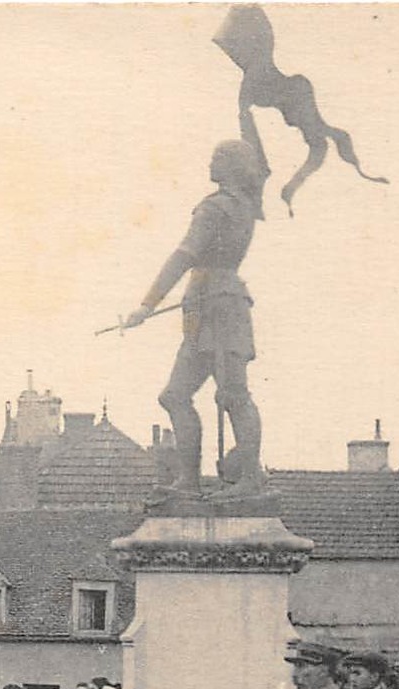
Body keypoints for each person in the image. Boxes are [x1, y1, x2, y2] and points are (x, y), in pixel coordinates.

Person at [122, 108, 271, 500]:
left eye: (217, 157)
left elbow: (184, 255)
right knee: (178, 394)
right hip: (213, 306)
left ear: (231, 166)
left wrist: (147, 304)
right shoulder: (245, 208)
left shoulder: (215, 208)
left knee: (233, 394)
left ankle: (249, 478)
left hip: (216, 306)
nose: (210, 162)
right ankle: (188, 481)